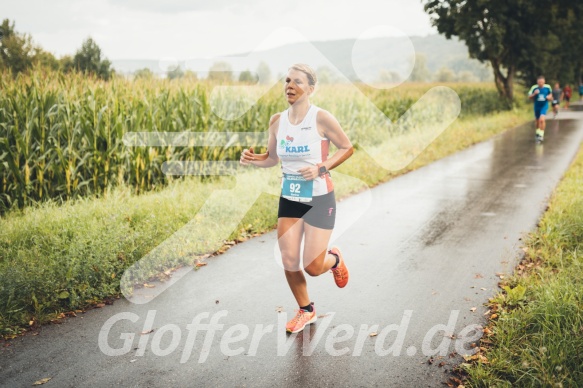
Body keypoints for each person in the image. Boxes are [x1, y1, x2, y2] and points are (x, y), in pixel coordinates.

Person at [240, 64, 353, 334]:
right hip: (290, 196)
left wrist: (320, 167)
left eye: (298, 82)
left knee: (313, 267)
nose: (290, 85)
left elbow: (347, 148)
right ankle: (306, 310)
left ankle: (334, 259)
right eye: (287, 80)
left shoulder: (321, 118)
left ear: (311, 89)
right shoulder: (277, 121)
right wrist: (254, 160)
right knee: (289, 260)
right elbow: (272, 159)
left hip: (319, 198)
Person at [528, 75, 553, 142]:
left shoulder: (548, 87)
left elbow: (551, 95)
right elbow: (529, 97)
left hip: (544, 105)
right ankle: (537, 133)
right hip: (537, 106)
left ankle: (541, 135)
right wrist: (534, 94)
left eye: (542, 82)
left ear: (544, 81)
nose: (541, 84)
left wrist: (549, 97)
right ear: (537, 82)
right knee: (537, 121)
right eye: (539, 82)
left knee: (542, 119)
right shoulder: (534, 87)